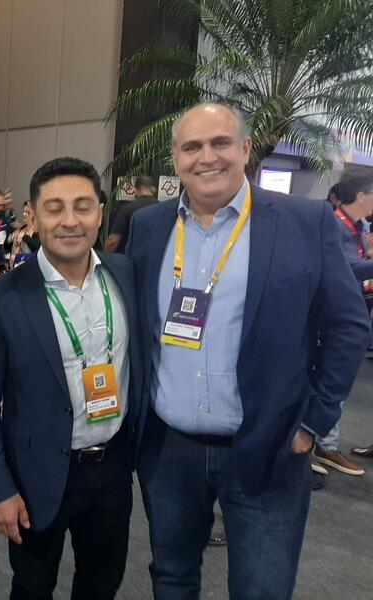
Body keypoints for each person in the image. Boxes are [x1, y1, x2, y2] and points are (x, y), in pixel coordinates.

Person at [126, 103, 370, 599]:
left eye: (220, 143)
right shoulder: (149, 226)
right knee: (171, 577)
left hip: (270, 446)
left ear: (245, 149)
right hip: (169, 449)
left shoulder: (304, 221)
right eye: (192, 147)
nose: (206, 157)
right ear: (175, 159)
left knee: (262, 589)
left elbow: (348, 326)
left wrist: (313, 423)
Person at [0, 157, 141, 599]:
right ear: (33, 215)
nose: (70, 221)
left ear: (100, 213)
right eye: (54, 207)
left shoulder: (124, 275)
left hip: (112, 468)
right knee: (32, 586)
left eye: (82, 206)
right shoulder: (1, 298)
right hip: (36, 472)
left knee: (102, 584)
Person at [327, 174, 373, 462]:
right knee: (333, 378)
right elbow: (350, 268)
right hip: (335, 315)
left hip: (352, 309)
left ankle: (324, 444)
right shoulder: (336, 224)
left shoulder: (357, 225)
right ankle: (323, 446)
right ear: (362, 196)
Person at [104, 175, 158, 254]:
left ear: (135, 189)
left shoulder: (127, 209)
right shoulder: (163, 209)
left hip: (130, 257)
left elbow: (113, 240)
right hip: (157, 257)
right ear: (153, 189)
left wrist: (103, 257)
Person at [8, 201, 40, 268]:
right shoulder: (21, 229)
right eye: (24, 212)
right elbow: (7, 245)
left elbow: (37, 247)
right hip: (16, 266)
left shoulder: (39, 230)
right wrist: (11, 238)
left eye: (28, 212)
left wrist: (24, 237)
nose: (24, 214)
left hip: (31, 267)